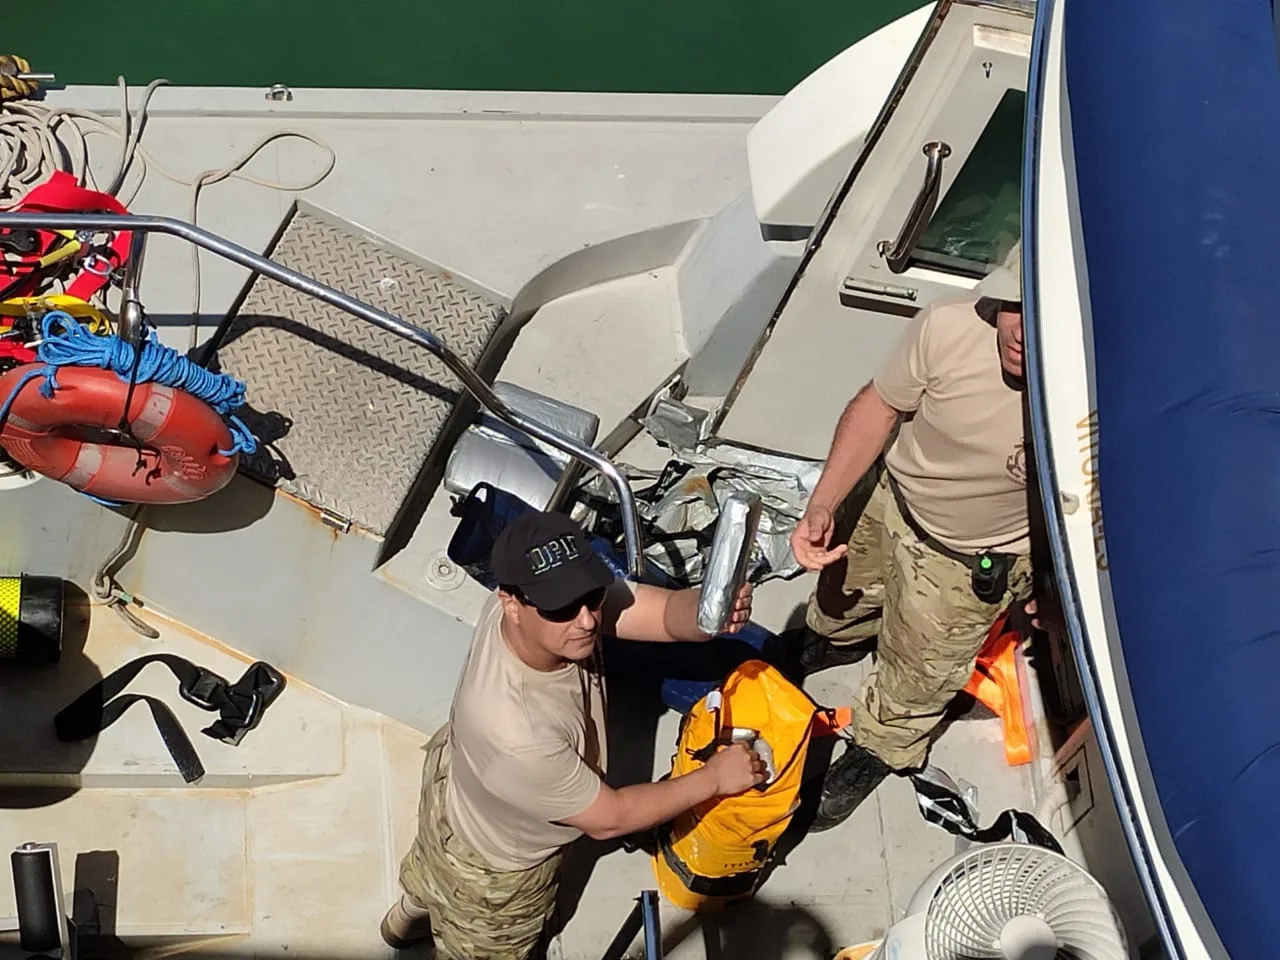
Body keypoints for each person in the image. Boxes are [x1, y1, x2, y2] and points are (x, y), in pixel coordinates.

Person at [381, 509, 764, 958]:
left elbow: (657, 615)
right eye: (563, 606)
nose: (586, 620)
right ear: (510, 602)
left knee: (430, 867)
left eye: (591, 596)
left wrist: (708, 611)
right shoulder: (518, 735)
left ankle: (406, 918)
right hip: (494, 873)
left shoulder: (531, 609)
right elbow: (611, 818)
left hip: (455, 781)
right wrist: (715, 778)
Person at [788, 242, 1034, 832]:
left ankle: (880, 745)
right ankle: (840, 639)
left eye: (1041, 312)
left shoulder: (1095, 390)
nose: (1020, 330)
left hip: (970, 557)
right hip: (886, 499)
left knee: (919, 676)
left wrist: (1044, 591)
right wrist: (823, 503)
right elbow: (879, 405)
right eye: (1012, 305)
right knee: (838, 594)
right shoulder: (947, 327)